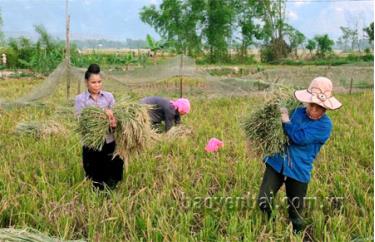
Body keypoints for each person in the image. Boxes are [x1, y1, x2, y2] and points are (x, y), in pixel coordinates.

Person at [257, 77, 342, 232]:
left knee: (295, 211)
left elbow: (299, 138)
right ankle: (272, 223)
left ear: (326, 108)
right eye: (312, 106)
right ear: (307, 102)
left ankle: (297, 233)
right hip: (276, 161)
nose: (314, 111)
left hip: (298, 169)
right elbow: (276, 119)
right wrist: (274, 112)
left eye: (320, 108)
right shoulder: (296, 111)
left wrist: (286, 121)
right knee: (263, 201)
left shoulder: (325, 125)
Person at [75, 64, 124, 190]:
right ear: (86, 82)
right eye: (93, 82)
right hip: (92, 143)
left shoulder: (109, 96)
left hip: (109, 140)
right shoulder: (81, 99)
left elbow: (116, 116)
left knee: (112, 174)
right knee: (95, 177)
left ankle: (112, 194)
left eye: (99, 82)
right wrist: (104, 114)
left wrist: (114, 122)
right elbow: (81, 120)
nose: (97, 85)